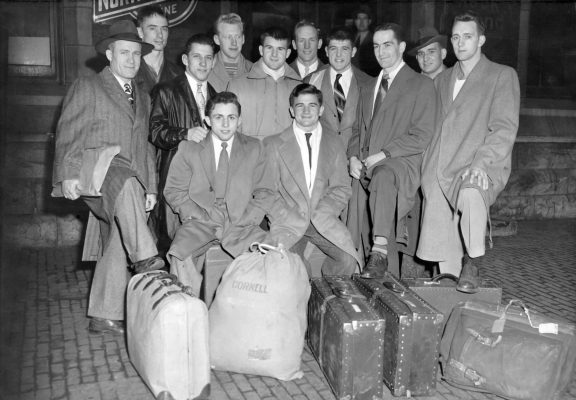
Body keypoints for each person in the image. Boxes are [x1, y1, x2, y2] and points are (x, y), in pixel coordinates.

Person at [52, 20, 162, 335]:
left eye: (136, 54)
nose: (131, 59)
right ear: (109, 53)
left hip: (133, 180)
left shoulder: (143, 95)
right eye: (124, 52)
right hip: (98, 172)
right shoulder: (88, 86)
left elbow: (146, 147)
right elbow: (68, 133)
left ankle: (104, 313)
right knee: (124, 180)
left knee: (119, 231)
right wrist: (69, 175)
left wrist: (151, 187)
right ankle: (146, 256)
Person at [417, 11, 520, 292]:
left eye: (468, 36)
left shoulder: (501, 75)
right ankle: (453, 300)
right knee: (444, 255)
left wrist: (481, 164)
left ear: (481, 40)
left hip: (477, 164)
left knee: (472, 192)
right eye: (456, 37)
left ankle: (473, 261)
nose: (461, 43)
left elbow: (503, 128)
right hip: (439, 166)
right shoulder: (442, 80)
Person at [347, 23, 437, 279]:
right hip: (368, 166)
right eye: (376, 46)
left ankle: (379, 250)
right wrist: (353, 155)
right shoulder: (368, 87)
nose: (381, 51)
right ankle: (382, 289)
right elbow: (357, 131)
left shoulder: (421, 85)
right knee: (368, 228)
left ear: (401, 47)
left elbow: (422, 135)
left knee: (384, 178)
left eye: (387, 45)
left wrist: (385, 153)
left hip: (400, 164)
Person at [164, 92, 271, 295]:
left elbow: (266, 191)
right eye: (218, 117)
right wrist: (198, 215)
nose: (225, 124)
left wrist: (250, 218)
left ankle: (244, 313)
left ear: (239, 121)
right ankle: (189, 310)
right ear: (207, 121)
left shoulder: (254, 148)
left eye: (231, 117)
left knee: (268, 256)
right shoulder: (189, 148)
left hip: (241, 222)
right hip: (201, 220)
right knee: (179, 254)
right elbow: (174, 191)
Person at [261, 84, 362, 276]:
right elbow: (265, 191)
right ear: (292, 110)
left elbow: (341, 187)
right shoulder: (273, 144)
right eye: (300, 106)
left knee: (348, 260)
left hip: (322, 219)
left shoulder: (334, 142)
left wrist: (325, 210)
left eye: (312, 105)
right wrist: (281, 215)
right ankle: (304, 300)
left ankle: (326, 298)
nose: (306, 111)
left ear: (321, 109)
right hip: (288, 221)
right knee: (296, 269)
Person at [149, 34, 217, 245]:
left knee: (202, 238)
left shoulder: (218, 97)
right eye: (197, 57)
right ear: (185, 60)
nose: (203, 63)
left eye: (208, 58)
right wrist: (184, 134)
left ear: (214, 61)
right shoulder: (166, 91)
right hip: (174, 177)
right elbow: (154, 131)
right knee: (172, 239)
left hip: (206, 181)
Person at [227, 27, 301, 139]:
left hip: (287, 155)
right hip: (251, 153)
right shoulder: (237, 85)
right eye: (269, 48)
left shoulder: (299, 87)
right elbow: (228, 128)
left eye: (280, 49)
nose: (274, 54)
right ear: (261, 50)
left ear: (288, 53)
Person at [305, 27, 372, 149]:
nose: (338, 55)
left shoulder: (368, 83)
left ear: (353, 51)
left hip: (355, 158)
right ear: (326, 51)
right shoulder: (311, 81)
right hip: (321, 155)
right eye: (333, 49)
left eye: (345, 49)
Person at [135, 5, 181, 94]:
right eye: (152, 28)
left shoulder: (178, 74)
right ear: (140, 32)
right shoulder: (131, 71)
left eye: (164, 29)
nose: (160, 35)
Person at [208, 13, 253, 92]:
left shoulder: (254, 71)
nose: (234, 43)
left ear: (243, 39)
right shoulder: (205, 69)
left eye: (237, 37)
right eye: (228, 37)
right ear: (217, 40)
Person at [351, 5, 380, 77]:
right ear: (355, 21)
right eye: (358, 19)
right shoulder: (350, 39)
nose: (361, 22)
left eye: (364, 18)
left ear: (369, 21)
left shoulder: (375, 40)